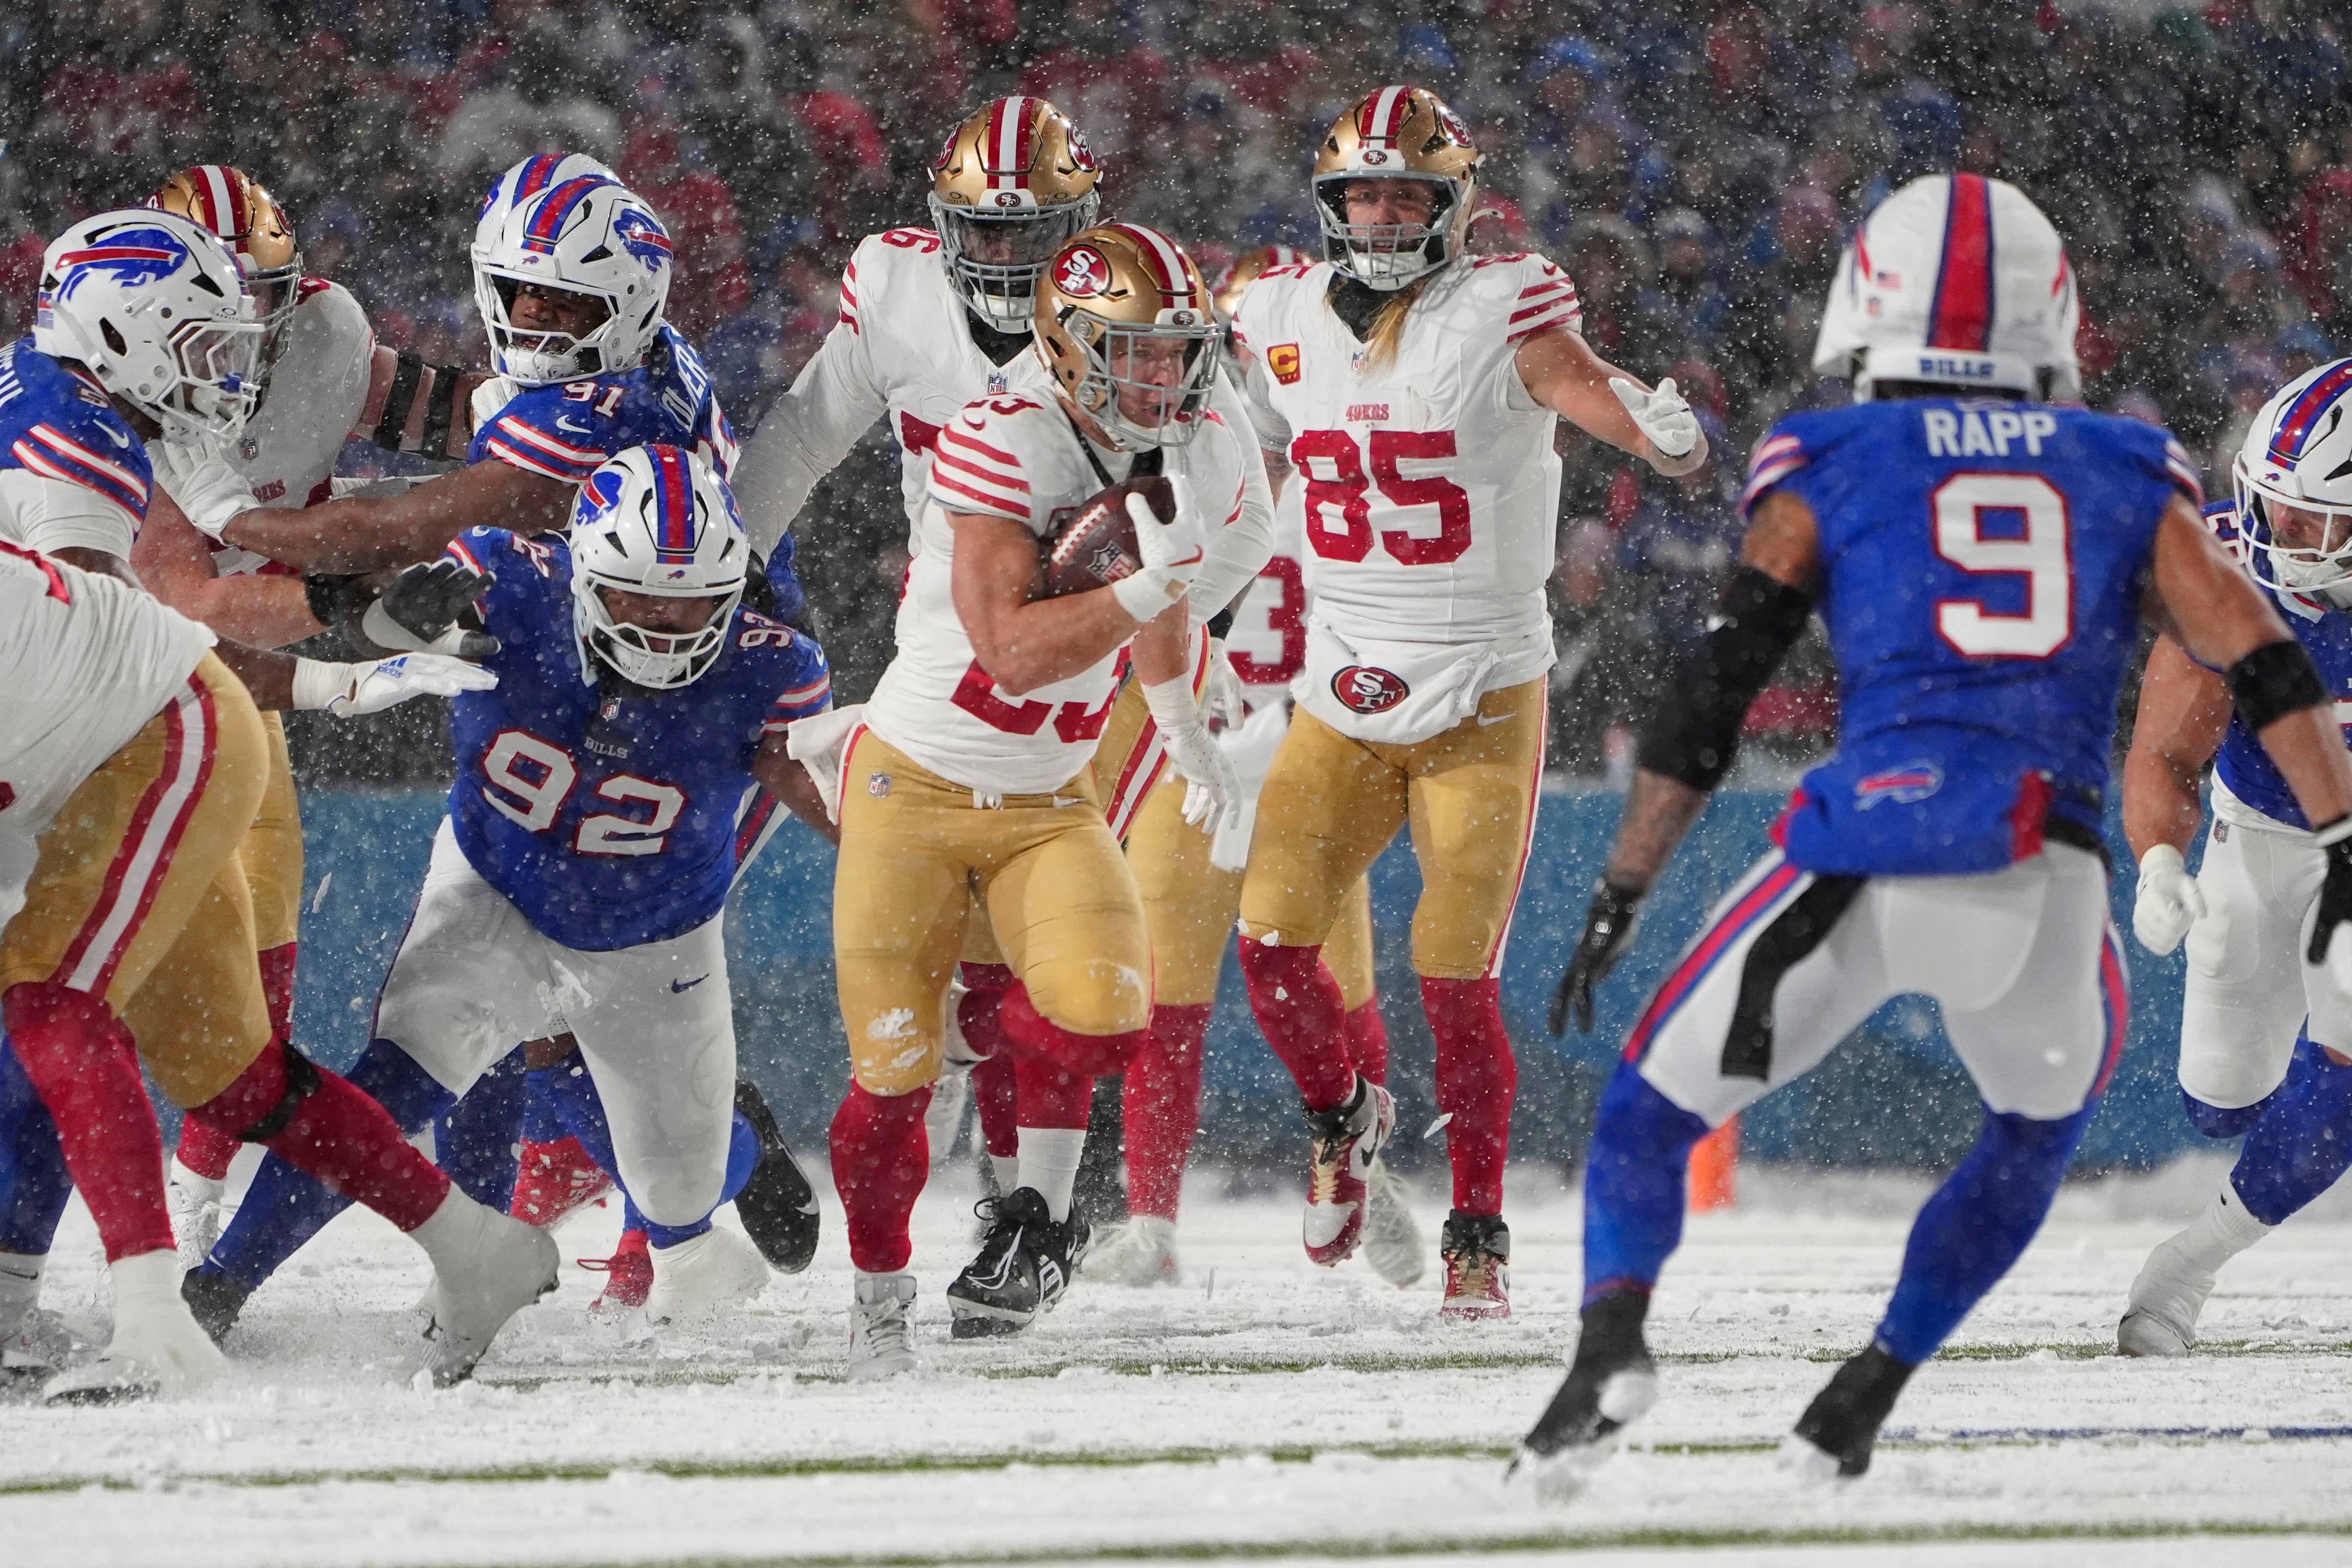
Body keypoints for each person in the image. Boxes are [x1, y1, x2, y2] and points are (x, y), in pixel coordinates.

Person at [1511, 173, 2352, 1494]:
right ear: (2055, 321)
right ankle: (1865, 1392)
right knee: (2028, 1136)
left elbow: (1718, 687)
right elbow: (2263, 663)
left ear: (1871, 303)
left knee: (1647, 1112)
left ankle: (1608, 1348)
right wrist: (2343, 835)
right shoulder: (2127, 465)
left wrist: (1625, 880)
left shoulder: (1832, 455)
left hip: (1881, 843)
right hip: (2053, 878)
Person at [0, 209, 539, 1399]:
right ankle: (476, 1244)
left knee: (52, 997)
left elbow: (91, 650)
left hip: (144, 733)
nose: (223, 377)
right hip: (132, 719)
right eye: (199, 344)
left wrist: (338, 660)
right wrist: (347, 657)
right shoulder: (69, 419)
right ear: (120, 329)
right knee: (230, 1076)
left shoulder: (71, 417)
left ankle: (149, 1315)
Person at [1225, 86, 1706, 1320]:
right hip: (1340, 677)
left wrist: (1647, 432)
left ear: (1457, 205)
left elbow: (1586, 387)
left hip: (1482, 682)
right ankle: (1344, 1119)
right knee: (1271, 941)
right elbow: (1211, 411)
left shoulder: (1504, 306)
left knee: (1453, 971)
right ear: (1330, 205)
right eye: (1363, 196)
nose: (1383, 217)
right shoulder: (1274, 309)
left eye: (1405, 195)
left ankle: (1479, 1234)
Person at [732, 96, 1272, 1190]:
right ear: (942, 226)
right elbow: (800, 439)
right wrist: (729, 561)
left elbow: (1242, 520)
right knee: (958, 897)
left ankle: (1050, 1185)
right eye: (987, 231)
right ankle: (984, 1113)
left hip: (1115, 637)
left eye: (1037, 233)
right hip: (956, 616)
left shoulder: (1144, 317)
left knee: (1072, 916)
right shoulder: (897, 290)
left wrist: (1119, 607)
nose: (1012, 255)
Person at [183, 445, 835, 1338]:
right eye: (641, 594)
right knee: (393, 1086)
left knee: (680, 1192)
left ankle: (737, 1148)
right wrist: (392, 618)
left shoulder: (776, 666)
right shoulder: (511, 578)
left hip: (655, 933)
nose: (667, 623)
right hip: (498, 886)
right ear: (584, 571)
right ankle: (217, 1289)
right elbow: (386, 612)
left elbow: (822, 797)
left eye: (694, 602)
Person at [807, 222, 1246, 1375]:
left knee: (1109, 1009)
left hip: (1049, 801)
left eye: (1174, 352)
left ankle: (1035, 1225)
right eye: (1137, 354)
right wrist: (1149, 580)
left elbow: (1157, 604)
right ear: (1066, 342)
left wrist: (1190, 732)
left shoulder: (1177, 446)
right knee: (890, 1087)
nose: (1163, 376)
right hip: (913, 787)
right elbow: (1008, 650)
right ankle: (879, 1290)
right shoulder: (1003, 435)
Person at [124, 164, 488, 1268]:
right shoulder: (119, 392)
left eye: (268, 296)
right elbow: (190, 605)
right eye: (215, 308)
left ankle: (189, 1220)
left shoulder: (320, 329)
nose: (249, 330)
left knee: (257, 992)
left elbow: (408, 400)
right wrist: (358, 602)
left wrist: (540, 426)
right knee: (70, 996)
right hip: (118, 704)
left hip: (238, 699)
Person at [1085, 243, 1415, 1290]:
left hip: (1314, 752)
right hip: (1200, 756)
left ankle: (1369, 1165)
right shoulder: (1174, 464)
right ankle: (1151, 1219)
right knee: (1166, 999)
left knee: (1341, 993)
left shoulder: (1367, 455)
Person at [2117, 358, 2352, 1356]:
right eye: (2267, 503)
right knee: (2222, 1106)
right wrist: (2160, 863)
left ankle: (2183, 1269)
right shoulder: (2225, 567)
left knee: (2338, 1080)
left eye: (2302, 519)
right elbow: (2167, 750)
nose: (2270, 533)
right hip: (2256, 832)